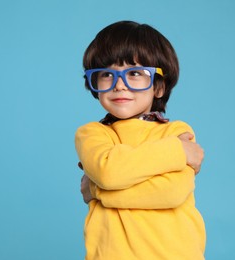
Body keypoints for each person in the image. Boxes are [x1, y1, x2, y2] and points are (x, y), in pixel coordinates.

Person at [75, 20, 206, 260]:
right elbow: (109, 172)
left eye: (135, 73)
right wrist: (177, 152)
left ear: (159, 87)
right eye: (106, 74)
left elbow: (171, 192)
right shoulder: (92, 134)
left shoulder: (176, 132)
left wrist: (96, 190)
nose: (120, 84)